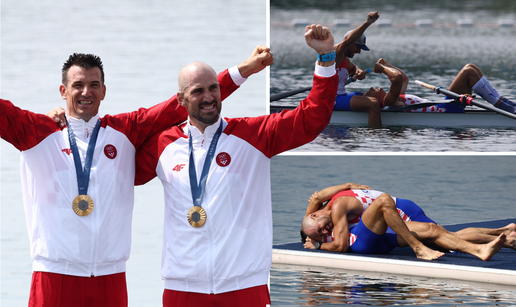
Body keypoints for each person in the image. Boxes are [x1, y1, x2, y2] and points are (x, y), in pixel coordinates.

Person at [0, 49, 269, 307]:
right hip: (54, 275)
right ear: (63, 91)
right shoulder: (37, 132)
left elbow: (182, 103)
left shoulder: (125, 131)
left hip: (110, 279)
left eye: (94, 84)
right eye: (78, 85)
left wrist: (242, 71)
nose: (86, 92)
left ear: (104, 91)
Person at [134, 24, 338, 306]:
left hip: (244, 287)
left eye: (214, 88)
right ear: (180, 100)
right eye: (198, 91)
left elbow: (312, 118)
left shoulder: (255, 135)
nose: (208, 97)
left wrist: (326, 59)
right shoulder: (162, 145)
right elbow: (112, 170)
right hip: (182, 288)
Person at [301, 185, 511, 261]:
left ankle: (496, 240)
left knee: (437, 233)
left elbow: (318, 197)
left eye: (321, 227)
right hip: (374, 228)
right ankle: (503, 237)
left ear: (313, 215)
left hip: (397, 213)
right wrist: (317, 244)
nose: (325, 230)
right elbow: (340, 245)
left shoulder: (332, 207)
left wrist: (349, 184)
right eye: (320, 232)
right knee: (439, 234)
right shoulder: (320, 219)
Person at [366, 59, 516, 115]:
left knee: (471, 67)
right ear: (375, 99)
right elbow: (397, 79)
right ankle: (506, 107)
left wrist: (387, 65)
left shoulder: (398, 96)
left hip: (446, 105)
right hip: (446, 110)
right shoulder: (390, 101)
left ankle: (506, 103)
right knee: (468, 72)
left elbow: (404, 78)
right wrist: (383, 70)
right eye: (370, 92)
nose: (372, 88)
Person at [333, 11, 381, 127]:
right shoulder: (334, 54)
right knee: (374, 104)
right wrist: (367, 23)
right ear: (349, 43)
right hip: (329, 100)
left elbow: (353, 67)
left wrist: (358, 71)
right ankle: (377, 140)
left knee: (374, 96)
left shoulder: (345, 60)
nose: (359, 52)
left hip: (341, 96)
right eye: (358, 47)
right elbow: (347, 41)